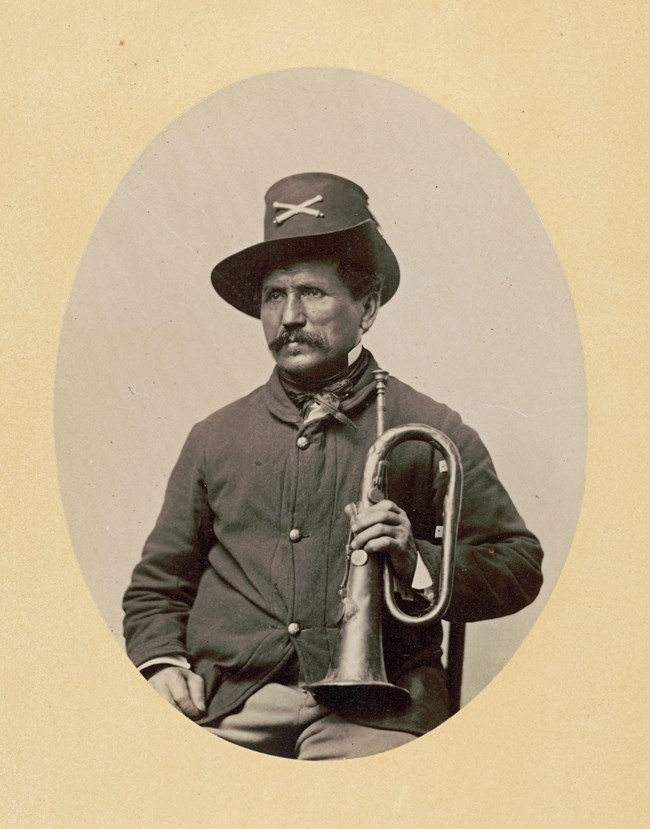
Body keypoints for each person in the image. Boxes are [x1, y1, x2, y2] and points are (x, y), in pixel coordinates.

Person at [123, 172, 544, 760]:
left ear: (366, 308)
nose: (289, 316)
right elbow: (156, 587)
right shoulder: (214, 436)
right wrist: (162, 665)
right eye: (274, 296)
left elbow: (518, 565)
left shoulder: (432, 429)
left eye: (313, 294)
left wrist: (417, 559)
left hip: (383, 706)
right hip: (230, 699)